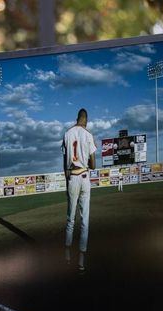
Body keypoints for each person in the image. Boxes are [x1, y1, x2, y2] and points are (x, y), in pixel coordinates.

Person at [62, 108, 97, 273]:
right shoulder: (88, 135)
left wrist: (66, 180)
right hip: (84, 177)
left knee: (70, 219)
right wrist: (87, 161)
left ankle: (67, 256)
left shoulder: (67, 134)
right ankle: (81, 261)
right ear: (86, 120)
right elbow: (93, 165)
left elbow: (64, 163)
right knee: (84, 221)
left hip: (72, 178)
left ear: (77, 118)